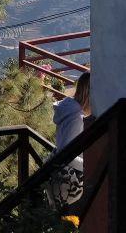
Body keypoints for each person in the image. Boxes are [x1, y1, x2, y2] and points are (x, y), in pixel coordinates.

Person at [50, 70, 90, 205]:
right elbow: (67, 154)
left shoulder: (68, 109)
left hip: (58, 172)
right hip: (69, 180)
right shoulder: (76, 118)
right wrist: (88, 165)